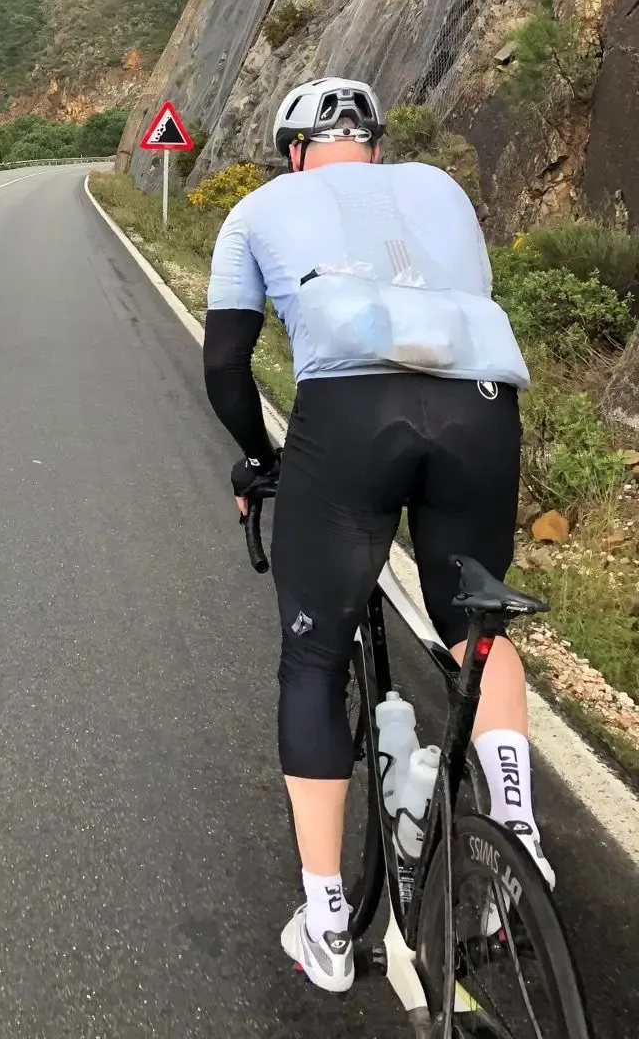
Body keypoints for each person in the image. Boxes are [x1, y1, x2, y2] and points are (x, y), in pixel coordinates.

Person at [202, 76, 552, 994]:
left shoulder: (257, 209)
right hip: (482, 405)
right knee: (473, 621)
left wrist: (260, 457)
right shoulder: (441, 189)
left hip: (351, 416)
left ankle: (326, 923)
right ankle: (518, 836)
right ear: (376, 147)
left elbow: (226, 364)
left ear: (293, 152)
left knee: (314, 658)